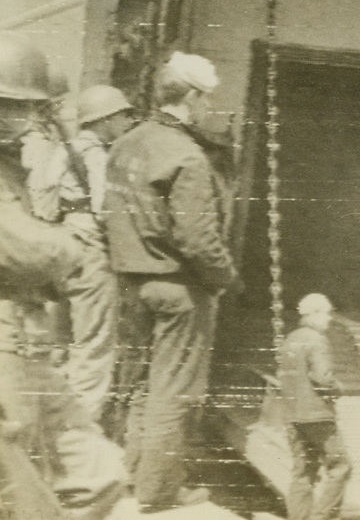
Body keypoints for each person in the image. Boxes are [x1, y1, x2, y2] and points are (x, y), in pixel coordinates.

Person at [0, 34, 126, 520]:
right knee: (22, 495)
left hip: (27, 340)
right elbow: (21, 247)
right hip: (7, 345)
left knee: (97, 473)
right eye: (16, 107)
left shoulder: (15, 161)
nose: (27, 120)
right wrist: (70, 242)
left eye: (30, 108)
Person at [106, 52, 238, 512]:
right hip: (177, 289)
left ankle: (132, 475)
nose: (208, 108)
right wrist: (225, 278)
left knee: (140, 383)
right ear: (194, 98)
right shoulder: (188, 156)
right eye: (207, 99)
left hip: (129, 284)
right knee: (172, 391)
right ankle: (159, 493)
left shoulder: (124, 145)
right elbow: (198, 240)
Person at [57, 85, 135, 423]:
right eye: (122, 116)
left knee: (63, 345)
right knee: (95, 349)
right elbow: (107, 210)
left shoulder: (64, 149)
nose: (126, 122)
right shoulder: (98, 156)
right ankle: (80, 434)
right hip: (93, 253)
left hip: (63, 247)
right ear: (105, 120)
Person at [279, 293, 351, 520]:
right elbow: (322, 377)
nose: (329, 318)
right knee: (340, 467)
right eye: (327, 313)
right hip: (317, 416)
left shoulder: (289, 339)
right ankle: (323, 516)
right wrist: (338, 388)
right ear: (314, 314)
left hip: (293, 415)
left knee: (303, 473)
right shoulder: (317, 339)